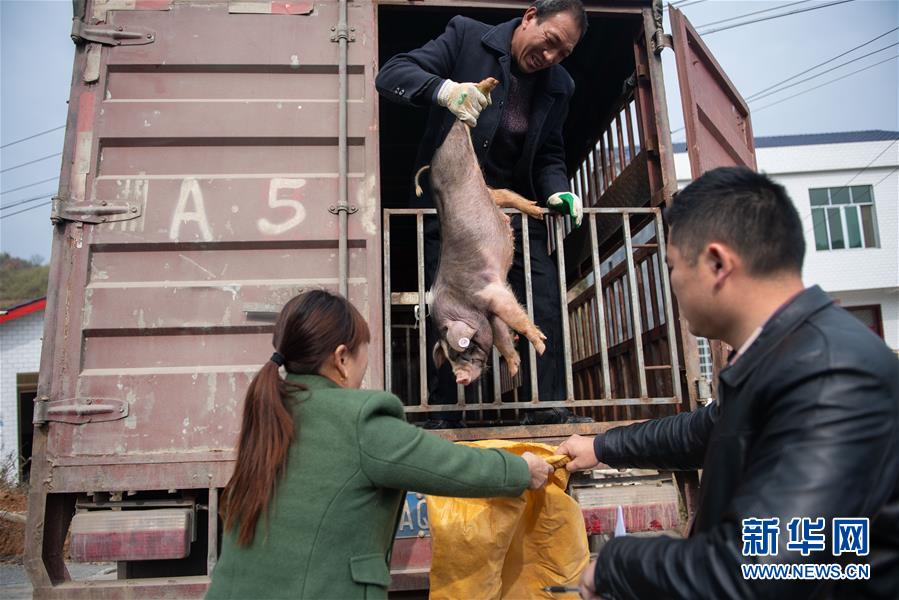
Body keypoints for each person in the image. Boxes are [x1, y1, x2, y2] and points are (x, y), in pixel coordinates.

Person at [558, 167, 899, 599]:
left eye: (672, 266)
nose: (672, 283)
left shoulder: (832, 373)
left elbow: (756, 572)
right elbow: (702, 432)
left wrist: (616, 564)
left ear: (717, 264)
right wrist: (602, 447)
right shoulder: (783, 356)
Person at [206, 290, 555, 599]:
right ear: (342, 358)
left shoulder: (272, 409)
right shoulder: (358, 419)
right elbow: (451, 466)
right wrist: (521, 469)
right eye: (364, 351)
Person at [376, 0, 592, 427]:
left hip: (508, 209)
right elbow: (392, 74)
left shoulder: (560, 85)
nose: (550, 56)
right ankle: (448, 413)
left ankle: (545, 406)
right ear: (529, 16)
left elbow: (549, 152)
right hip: (451, 207)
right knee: (448, 306)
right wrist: (446, 91)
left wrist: (559, 191)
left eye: (563, 53)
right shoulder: (467, 36)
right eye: (549, 41)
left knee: (544, 295)